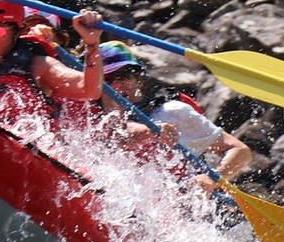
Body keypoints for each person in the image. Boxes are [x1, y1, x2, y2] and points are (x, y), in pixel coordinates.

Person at [98, 41, 252, 188]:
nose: (118, 85)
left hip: (177, 199)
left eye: (125, 75)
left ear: (138, 79)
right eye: (108, 79)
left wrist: (213, 179)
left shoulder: (172, 112)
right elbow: (118, 133)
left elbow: (240, 151)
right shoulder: (88, 112)